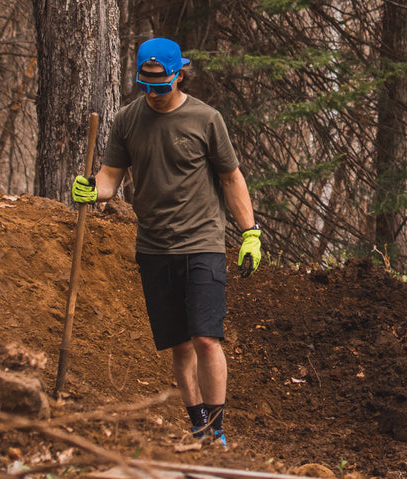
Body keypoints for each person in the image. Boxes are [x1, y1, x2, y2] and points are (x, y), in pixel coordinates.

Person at [71, 37, 261, 449]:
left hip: (203, 242)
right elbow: (110, 176)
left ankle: (218, 430)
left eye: (162, 85)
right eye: (147, 85)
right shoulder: (126, 121)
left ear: (179, 75)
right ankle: (199, 427)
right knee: (178, 345)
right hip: (154, 246)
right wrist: (93, 189)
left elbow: (231, 177)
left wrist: (250, 233)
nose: (155, 93)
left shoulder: (206, 119)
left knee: (206, 337)